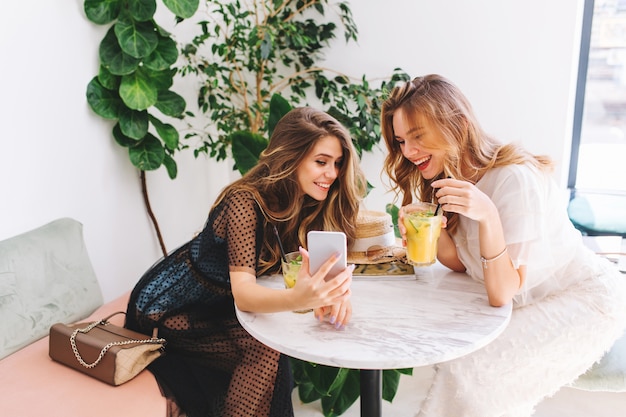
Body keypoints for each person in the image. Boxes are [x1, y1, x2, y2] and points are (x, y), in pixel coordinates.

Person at [381, 74, 626, 417]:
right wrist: (432, 235)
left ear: (459, 124)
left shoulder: (514, 178)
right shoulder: (448, 177)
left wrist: (488, 216)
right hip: (524, 301)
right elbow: (463, 265)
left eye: (417, 136)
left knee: (473, 369)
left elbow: (502, 291)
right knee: (457, 356)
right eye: (401, 140)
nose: (408, 151)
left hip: (586, 299)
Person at [124, 107, 366, 417]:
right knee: (265, 350)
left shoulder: (305, 201)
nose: (331, 174)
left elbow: (309, 269)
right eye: (321, 162)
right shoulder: (244, 202)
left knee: (270, 349)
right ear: (290, 157)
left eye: (337, 164)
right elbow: (244, 292)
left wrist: (334, 292)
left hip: (221, 305)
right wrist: (297, 298)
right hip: (175, 308)